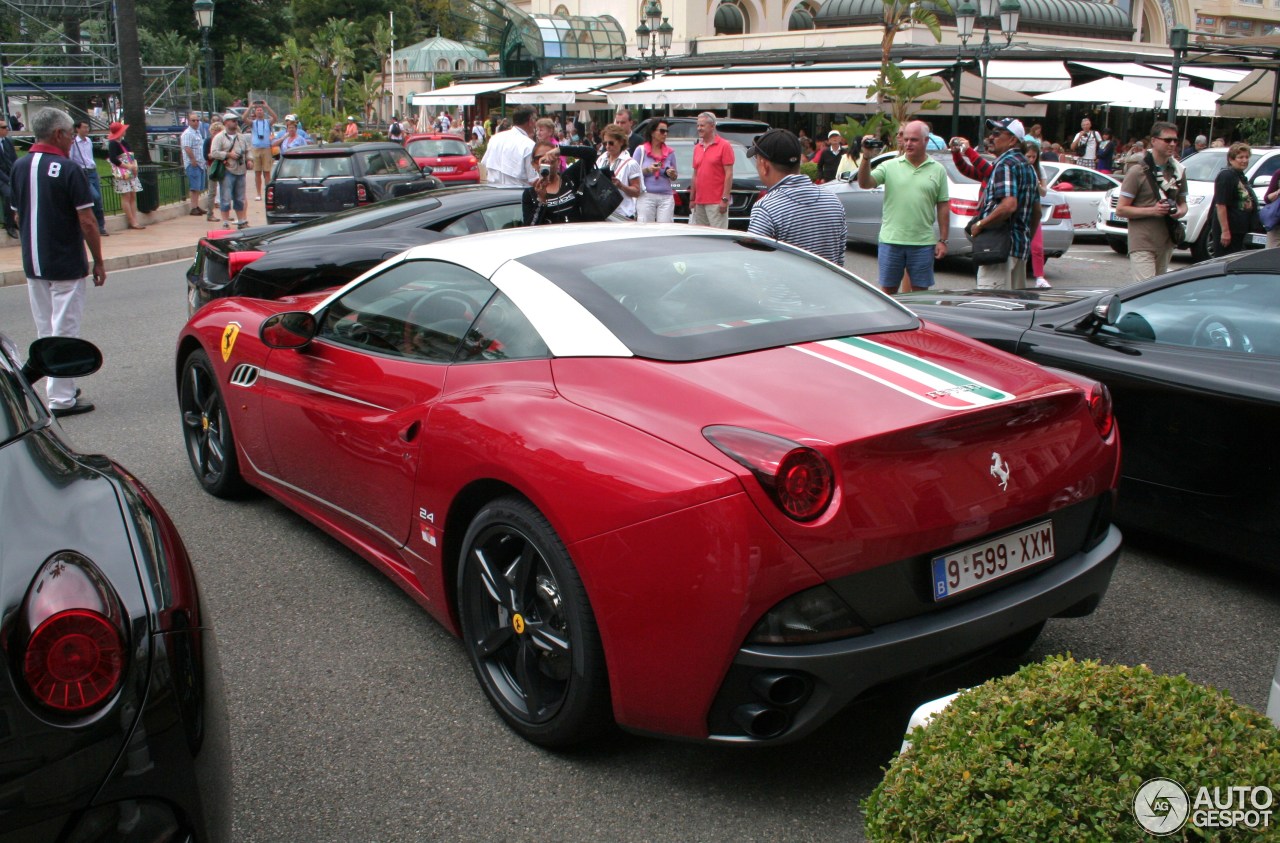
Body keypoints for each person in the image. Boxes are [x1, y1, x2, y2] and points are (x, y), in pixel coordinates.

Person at [10, 108, 106, 417]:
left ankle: (58, 384)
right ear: (58, 134)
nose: (71, 142)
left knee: (46, 327)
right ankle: (61, 398)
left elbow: (16, 213)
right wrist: (99, 261)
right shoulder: (68, 169)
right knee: (65, 329)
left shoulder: (19, 166)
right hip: (64, 261)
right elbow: (87, 220)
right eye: (68, 135)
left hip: (34, 263)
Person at [858, 119, 949, 294]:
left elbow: (943, 205)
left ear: (926, 141)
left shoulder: (937, 170)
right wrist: (866, 158)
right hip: (891, 241)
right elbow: (865, 183)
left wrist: (943, 240)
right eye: (906, 139)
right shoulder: (890, 165)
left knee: (920, 294)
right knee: (888, 293)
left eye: (914, 139)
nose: (908, 143)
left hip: (923, 243)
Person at [747, 128, 847, 266]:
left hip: (785, 288)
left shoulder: (766, 208)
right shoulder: (833, 201)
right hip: (828, 286)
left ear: (764, 165)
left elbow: (755, 267)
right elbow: (839, 262)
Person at [969, 117, 1041, 290]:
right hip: (1018, 251)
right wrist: (1024, 237)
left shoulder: (1005, 164)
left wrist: (980, 224)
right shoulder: (1028, 166)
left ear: (1012, 139)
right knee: (1013, 309)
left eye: (996, 133)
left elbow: (1009, 205)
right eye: (991, 133)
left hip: (998, 251)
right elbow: (1036, 211)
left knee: (990, 308)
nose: (991, 138)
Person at [1115, 121, 1187, 282]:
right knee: (1144, 289)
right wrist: (1153, 211)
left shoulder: (1178, 171)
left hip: (1167, 241)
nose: (1173, 144)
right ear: (1154, 141)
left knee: (1157, 292)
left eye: (1175, 140)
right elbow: (1121, 209)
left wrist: (1179, 212)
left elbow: (1183, 203)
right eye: (1167, 140)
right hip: (1142, 242)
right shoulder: (1137, 171)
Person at [521, 140, 597, 225]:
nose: (546, 160)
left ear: (558, 161)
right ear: (534, 164)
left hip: (578, 234)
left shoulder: (570, 177)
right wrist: (541, 200)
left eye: (551, 156)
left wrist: (560, 150)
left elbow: (591, 154)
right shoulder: (530, 194)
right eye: (540, 158)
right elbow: (530, 227)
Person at [1210, 141, 1259, 257]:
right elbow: (1221, 205)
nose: (1244, 160)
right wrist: (1225, 231)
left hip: (1239, 230)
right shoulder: (1226, 176)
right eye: (1240, 157)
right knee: (1225, 261)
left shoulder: (1239, 176)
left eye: (1247, 157)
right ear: (1231, 159)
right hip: (1229, 231)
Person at [689, 112, 735, 228]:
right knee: (702, 238)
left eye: (702, 125)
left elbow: (728, 174)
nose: (699, 128)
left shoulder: (724, 146)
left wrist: (725, 199)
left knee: (717, 238)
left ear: (712, 126)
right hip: (699, 202)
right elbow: (695, 174)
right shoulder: (697, 148)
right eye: (698, 125)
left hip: (716, 202)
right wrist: (692, 198)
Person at [65, 120, 108, 235]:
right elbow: (70, 158)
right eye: (84, 127)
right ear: (77, 129)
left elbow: (90, 157)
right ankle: (90, 225)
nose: (86, 130)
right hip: (82, 172)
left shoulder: (88, 141)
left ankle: (100, 226)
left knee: (99, 201)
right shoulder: (74, 143)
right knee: (94, 197)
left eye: (87, 127)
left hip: (92, 170)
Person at [210, 112, 251, 229]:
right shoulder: (219, 137)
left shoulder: (241, 137)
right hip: (227, 170)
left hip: (241, 170)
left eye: (236, 120)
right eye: (232, 120)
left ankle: (241, 220)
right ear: (226, 122)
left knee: (240, 197)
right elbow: (214, 152)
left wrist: (249, 160)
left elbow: (248, 150)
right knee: (226, 197)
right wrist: (228, 154)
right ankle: (225, 221)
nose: (235, 122)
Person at [596, 123, 643, 221]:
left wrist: (621, 186)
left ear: (621, 142)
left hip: (622, 214)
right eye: (605, 143)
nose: (607, 146)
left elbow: (637, 191)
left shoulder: (630, 163)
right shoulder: (601, 159)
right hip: (603, 213)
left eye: (611, 143)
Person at [634, 119, 677, 223]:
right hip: (646, 195)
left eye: (667, 131)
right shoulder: (641, 150)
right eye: (662, 131)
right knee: (645, 228)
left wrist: (671, 173)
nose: (665, 134)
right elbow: (633, 173)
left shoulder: (670, 152)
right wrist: (648, 170)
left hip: (666, 196)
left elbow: (675, 176)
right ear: (652, 132)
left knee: (665, 229)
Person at [481, 106, 537, 186]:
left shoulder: (495, 138)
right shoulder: (529, 145)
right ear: (530, 121)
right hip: (517, 193)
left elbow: (484, 164)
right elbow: (533, 179)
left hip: (493, 192)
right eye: (535, 120)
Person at [106, 121, 145, 230]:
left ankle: (135, 219)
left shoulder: (124, 143)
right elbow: (113, 159)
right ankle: (131, 220)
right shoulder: (113, 144)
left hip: (130, 170)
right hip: (123, 172)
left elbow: (131, 156)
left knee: (132, 195)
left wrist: (134, 167)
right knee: (126, 195)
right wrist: (127, 167)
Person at [1024, 141, 1051, 288]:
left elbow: (1044, 191)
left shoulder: (1038, 169)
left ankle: (1039, 277)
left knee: (1037, 246)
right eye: (1028, 156)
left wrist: (1038, 185)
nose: (1031, 159)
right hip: (1022, 209)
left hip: (1033, 210)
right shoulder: (1020, 167)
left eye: (1034, 157)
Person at [246, 101, 278, 201]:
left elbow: (275, 117)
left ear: (263, 112)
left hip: (266, 148)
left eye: (261, 110)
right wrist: (250, 107)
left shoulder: (267, 122)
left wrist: (267, 107)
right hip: (256, 148)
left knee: (267, 172)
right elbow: (243, 118)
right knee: (257, 172)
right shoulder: (253, 123)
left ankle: (268, 192)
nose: (259, 112)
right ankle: (258, 193)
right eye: (257, 110)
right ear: (255, 113)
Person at [180, 112, 208, 216]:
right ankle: (193, 207)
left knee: (198, 187)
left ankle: (196, 206)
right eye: (193, 120)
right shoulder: (188, 133)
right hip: (193, 164)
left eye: (197, 120)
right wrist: (193, 159)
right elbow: (187, 148)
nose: (196, 122)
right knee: (194, 187)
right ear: (189, 121)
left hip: (200, 163)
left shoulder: (197, 132)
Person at [204, 118, 223, 221]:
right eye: (214, 130)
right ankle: (210, 213)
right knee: (212, 191)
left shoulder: (222, 140)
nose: (216, 133)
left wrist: (217, 154)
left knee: (225, 189)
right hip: (212, 167)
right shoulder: (208, 141)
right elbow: (206, 156)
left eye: (218, 130)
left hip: (223, 166)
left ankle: (226, 213)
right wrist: (217, 155)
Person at [0, 120, 17, 237]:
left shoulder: (8, 142)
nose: (7, 129)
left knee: (21, 190)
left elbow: (15, 160)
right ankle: (9, 225)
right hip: (1, 177)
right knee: (8, 194)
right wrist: (8, 180)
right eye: (4, 127)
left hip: (10, 175)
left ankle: (16, 220)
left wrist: (16, 175)